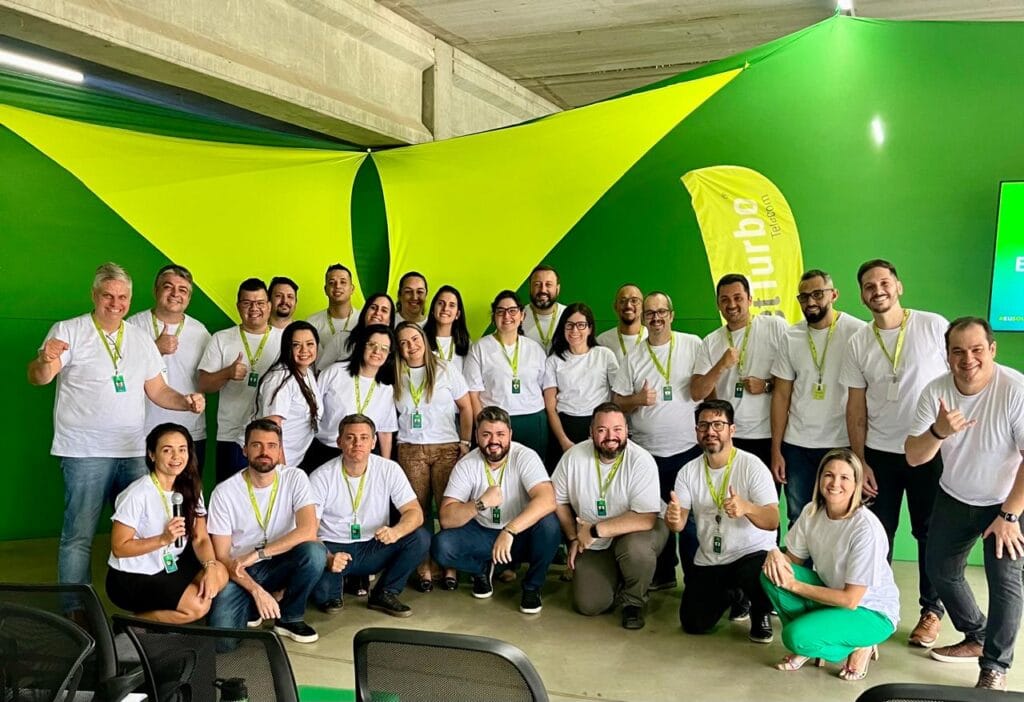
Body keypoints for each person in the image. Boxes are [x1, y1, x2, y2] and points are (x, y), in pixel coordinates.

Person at [27, 262, 205, 586]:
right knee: (79, 535)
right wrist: (43, 359)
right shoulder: (68, 331)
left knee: (144, 529)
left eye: (122, 297)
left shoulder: (139, 338)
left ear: (130, 299)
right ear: (94, 295)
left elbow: (158, 390)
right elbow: (40, 377)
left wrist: (186, 401)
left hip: (132, 451)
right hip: (84, 452)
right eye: (108, 295)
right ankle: (75, 607)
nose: (115, 303)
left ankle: (141, 598)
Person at [906, 317, 1024, 691]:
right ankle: (977, 634)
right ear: (947, 355)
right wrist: (939, 431)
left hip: (1005, 503)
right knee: (940, 569)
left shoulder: (1015, 389)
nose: (967, 359)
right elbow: (914, 456)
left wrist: (1010, 514)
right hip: (954, 496)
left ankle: (994, 666)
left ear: (992, 349)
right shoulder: (936, 391)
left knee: (1004, 581)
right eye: (958, 351)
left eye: (976, 349)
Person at [840, 259, 949, 647]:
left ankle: (931, 611)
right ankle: (874, 608)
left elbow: (959, 381)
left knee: (928, 534)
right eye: (869, 286)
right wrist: (859, 461)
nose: (878, 291)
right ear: (861, 296)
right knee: (876, 535)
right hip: (879, 456)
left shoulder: (932, 325)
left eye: (884, 283)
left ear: (898, 286)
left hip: (928, 450)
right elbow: (855, 407)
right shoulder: (858, 342)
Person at [761, 448, 900, 682]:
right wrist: (774, 554)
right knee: (771, 573)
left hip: (870, 611)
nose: (835, 483)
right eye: (829, 475)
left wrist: (795, 586)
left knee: (794, 637)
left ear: (856, 484)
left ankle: (860, 644)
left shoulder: (865, 529)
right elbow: (792, 562)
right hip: (833, 593)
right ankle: (813, 640)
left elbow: (850, 599)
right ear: (819, 479)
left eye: (844, 477)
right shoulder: (811, 512)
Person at [611, 291, 704, 591]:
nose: (656, 318)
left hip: (687, 449)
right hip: (647, 453)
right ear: (643, 318)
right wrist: (637, 399)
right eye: (650, 313)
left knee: (689, 519)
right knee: (654, 517)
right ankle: (663, 575)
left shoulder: (692, 344)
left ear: (671, 315)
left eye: (661, 311)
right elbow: (617, 402)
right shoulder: (634, 357)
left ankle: (695, 582)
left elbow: (704, 389)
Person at [665, 400, 779, 643]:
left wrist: (747, 508)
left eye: (718, 424)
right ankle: (736, 595)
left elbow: (773, 520)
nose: (710, 431)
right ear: (696, 431)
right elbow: (679, 524)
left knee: (759, 570)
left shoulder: (752, 466)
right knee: (693, 623)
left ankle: (760, 611)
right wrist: (673, 519)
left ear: (732, 429)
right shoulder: (688, 471)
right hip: (712, 558)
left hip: (751, 554)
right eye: (704, 425)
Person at [207, 419, 326, 643]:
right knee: (223, 642)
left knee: (314, 552)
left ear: (280, 451)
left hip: (280, 561)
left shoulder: (295, 478)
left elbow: (309, 529)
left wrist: (258, 554)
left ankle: (290, 618)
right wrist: (256, 590)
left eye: (272, 446)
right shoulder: (224, 492)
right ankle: (255, 602)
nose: (265, 452)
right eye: (257, 445)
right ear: (245, 449)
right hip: (240, 571)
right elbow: (222, 556)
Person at [433, 406, 560, 613]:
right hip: (483, 533)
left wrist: (510, 530)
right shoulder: (467, 464)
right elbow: (446, 518)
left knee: (550, 525)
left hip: (520, 534)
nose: (494, 441)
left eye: (500, 434)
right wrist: (480, 503)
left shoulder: (525, 456)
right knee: (442, 545)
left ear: (510, 434)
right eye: (486, 434)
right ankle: (482, 569)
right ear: (476, 436)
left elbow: (547, 500)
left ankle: (532, 587)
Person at [552, 402, 667, 630]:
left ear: (626, 430)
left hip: (637, 531)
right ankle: (619, 577)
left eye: (617, 429)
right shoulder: (573, 457)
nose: (610, 436)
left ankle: (634, 601)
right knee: (589, 605)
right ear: (591, 432)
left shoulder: (641, 460)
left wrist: (595, 530)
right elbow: (557, 500)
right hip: (591, 537)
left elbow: (646, 518)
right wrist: (573, 538)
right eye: (602, 430)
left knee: (635, 550)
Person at [310, 414, 430, 617]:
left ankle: (385, 593)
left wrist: (396, 532)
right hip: (334, 547)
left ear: (373, 442)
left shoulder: (389, 469)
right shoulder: (321, 476)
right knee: (327, 602)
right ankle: (342, 582)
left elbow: (415, 513)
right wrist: (328, 558)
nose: (357, 443)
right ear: (339, 442)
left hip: (373, 545)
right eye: (350, 437)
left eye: (364, 438)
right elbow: (309, 530)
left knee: (420, 537)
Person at [106, 423, 228, 623]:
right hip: (135, 574)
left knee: (219, 573)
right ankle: (133, 624)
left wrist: (210, 566)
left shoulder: (191, 487)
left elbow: (200, 538)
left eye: (182, 449)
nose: (176, 457)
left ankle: (167, 611)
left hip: (170, 561)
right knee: (198, 606)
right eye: (167, 450)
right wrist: (163, 539)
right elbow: (119, 548)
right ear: (152, 455)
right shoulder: (136, 494)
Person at [770, 269, 864, 526]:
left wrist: (860, 453)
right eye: (803, 297)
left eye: (818, 294)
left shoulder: (857, 332)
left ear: (834, 295)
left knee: (841, 517)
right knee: (799, 518)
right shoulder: (791, 336)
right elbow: (781, 395)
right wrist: (776, 449)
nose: (810, 302)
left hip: (841, 443)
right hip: (797, 445)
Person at [393, 321, 473, 589]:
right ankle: (424, 566)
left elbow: (466, 407)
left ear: (424, 340)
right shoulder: (395, 373)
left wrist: (465, 442)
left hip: (446, 448)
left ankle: (450, 565)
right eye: (404, 343)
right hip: (410, 449)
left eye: (415, 339)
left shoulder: (446, 368)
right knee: (418, 510)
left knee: (449, 508)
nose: (411, 346)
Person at [691, 274, 787, 474]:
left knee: (764, 493)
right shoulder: (710, 341)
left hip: (767, 435)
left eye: (738, 298)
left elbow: (794, 377)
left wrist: (766, 385)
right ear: (718, 304)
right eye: (725, 300)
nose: (732, 305)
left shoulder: (775, 327)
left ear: (750, 300)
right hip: (728, 437)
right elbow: (697, 392)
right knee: (727, 493)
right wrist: (721, 365)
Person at [126, 264, 211, 472]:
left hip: (189, 431)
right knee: (144, 491)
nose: (175, 294)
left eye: (182, 290)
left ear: (189, 297)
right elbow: (119, 371)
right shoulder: (133, 326)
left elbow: (207, 380)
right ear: (156, 290)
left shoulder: (200, 332)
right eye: (168, 287)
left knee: (187, 491)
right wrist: (155, 348)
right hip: (142, 432)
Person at [198, 278, 283, 484]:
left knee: (270, 498)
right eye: (247, 303)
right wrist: (227, 373)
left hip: (272, 437)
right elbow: (204, 384)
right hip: (231, 435)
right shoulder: (221, 338)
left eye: (260, 303)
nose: (254, 308)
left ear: (269, 306)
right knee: (230, 495)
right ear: (238, 306)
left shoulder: (285, 339)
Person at [465, 291, 549, 458]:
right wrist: (481, 425)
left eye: (512, 311)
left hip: (532, 420)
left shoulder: (535, 348)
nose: (506, 316)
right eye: (500, 311)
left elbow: (543, 387)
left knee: (532, 468)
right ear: (493, 316)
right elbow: (473, 394)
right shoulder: (480, 348)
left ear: (522, 315)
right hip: (494, 422)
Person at [313, 324, 398, 466]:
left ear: (390, 354)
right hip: (327, 450)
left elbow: (385, 431)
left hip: (364, 455)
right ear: (362, 345)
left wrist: (385, 465)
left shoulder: (386, 387)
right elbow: (311, 410)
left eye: (384, 348)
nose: (377, 351)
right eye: (372, 345)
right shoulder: (335, 372)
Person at [544, 303, 618, 461]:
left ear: (590, 329)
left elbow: (618, 394)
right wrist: (563, 441)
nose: (574, 330)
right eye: (569, 325)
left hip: (599, 423)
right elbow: (550, 408)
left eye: (581, 325)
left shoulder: (605, 355)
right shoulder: (553, 361)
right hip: (565, 427)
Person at [255, 321, 323, 470]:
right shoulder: (280, 377)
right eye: (296, 345)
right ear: (287, 347)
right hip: (268, 461)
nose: (304, 350)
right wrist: (282, 471)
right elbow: (272, 428)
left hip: (291, 460)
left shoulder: (307, 372)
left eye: (310, 344)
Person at [308, 264, 361, 372]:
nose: (337, 286)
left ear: (352, 289)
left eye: (343, 282)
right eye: (332, 283)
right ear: (325, 289)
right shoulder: (311, 323)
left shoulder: (362, 320)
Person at [423, 285, 471, 375]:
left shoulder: (467, 345)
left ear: (457, 314)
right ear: (433, 309)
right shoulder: (420, 341)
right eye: (441, 303)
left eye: (451, 305)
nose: (445, 308)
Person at [596, 283, 648, 364]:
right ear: (615, 307)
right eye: (622, 301)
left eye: (634, 301)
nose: (628, 305)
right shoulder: (602, 341)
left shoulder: (652, 337)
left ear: (643, 306)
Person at [521, 265, 566, 351]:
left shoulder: (570, 315)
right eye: (537, 284)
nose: (543, 290)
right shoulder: (517, 317)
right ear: (530, 287)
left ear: (557, 289)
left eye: (548, 284)